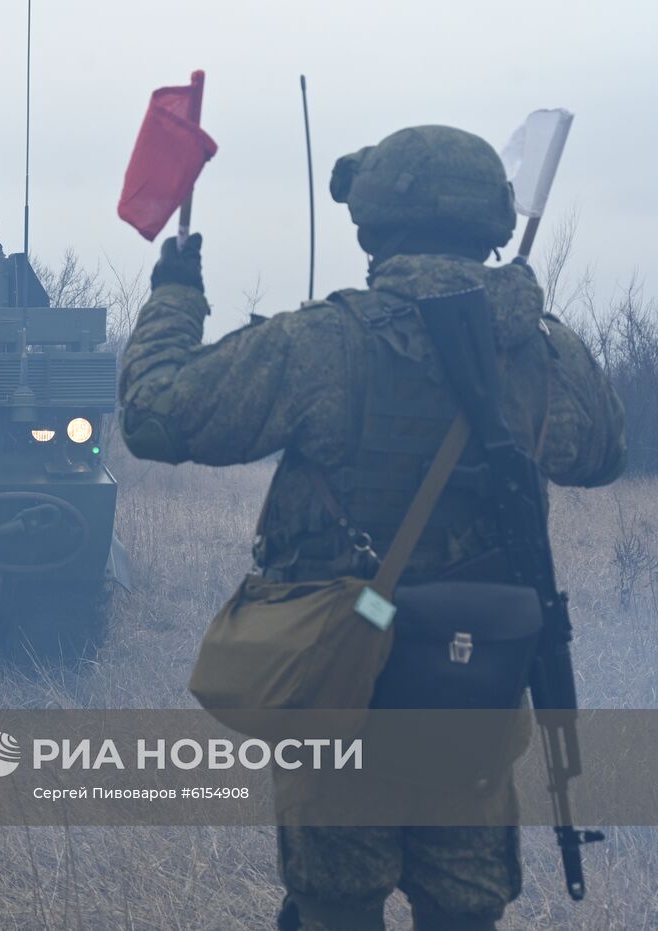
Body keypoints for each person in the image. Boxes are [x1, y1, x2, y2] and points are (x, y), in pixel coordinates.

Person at [118, 125, 626, 931]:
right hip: (476, 700)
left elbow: (156, 415)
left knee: (334, 912)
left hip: (345, 689)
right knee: (464, 915)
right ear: (492, 224)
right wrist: (533, 332)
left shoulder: (326, 341)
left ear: (374, 223)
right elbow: (604, 450)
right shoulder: (540, 351)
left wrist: (175, 294)